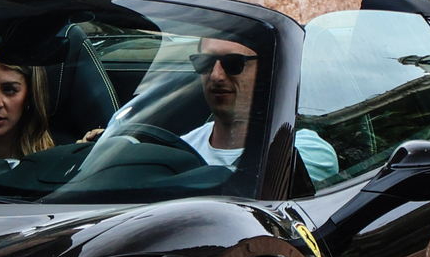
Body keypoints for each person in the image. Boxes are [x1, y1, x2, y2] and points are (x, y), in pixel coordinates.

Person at [90, 37, 339, 185]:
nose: (217, 75)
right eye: (205, 63)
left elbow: (245, 195)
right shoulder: (180, 149)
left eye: (233, 64)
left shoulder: (305, 151)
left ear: (268, 71)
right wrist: (111, 153)